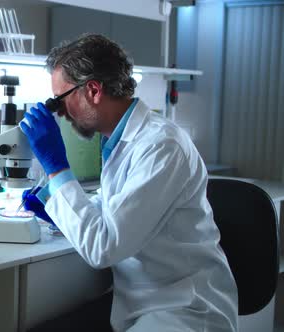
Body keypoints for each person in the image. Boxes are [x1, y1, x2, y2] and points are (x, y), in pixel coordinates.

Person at [20, 34, 238, 331]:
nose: (61, 112)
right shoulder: (121, 142)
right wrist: (51, 201)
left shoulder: (161, 145)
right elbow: (115, 209)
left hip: (184, 312)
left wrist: (58, 171)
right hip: (143, 304)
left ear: (93, 90)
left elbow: (103, 248)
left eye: (60, 100)